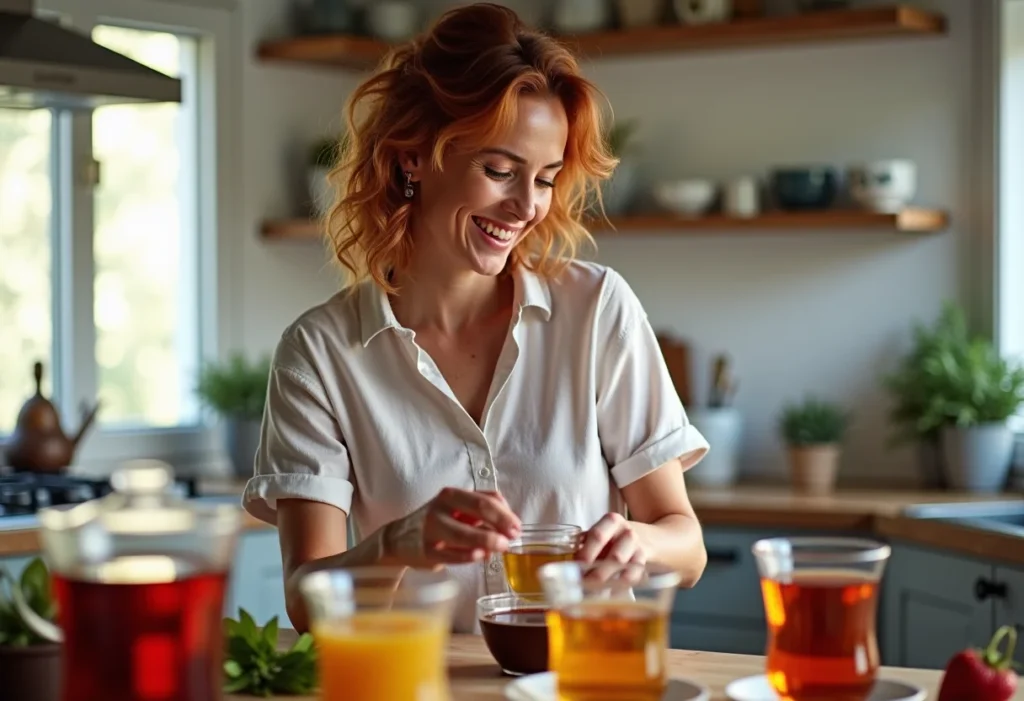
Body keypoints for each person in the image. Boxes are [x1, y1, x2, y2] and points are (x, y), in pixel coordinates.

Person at [241, 2, 710, 635]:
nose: (525, 207)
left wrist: (639, 544)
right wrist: (395, 545)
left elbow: (686, 545)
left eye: (544, 179)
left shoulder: (597, 310)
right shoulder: (320, 353)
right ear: (413, 156)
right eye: (499, 170)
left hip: (584, 677)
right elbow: (306, 597)